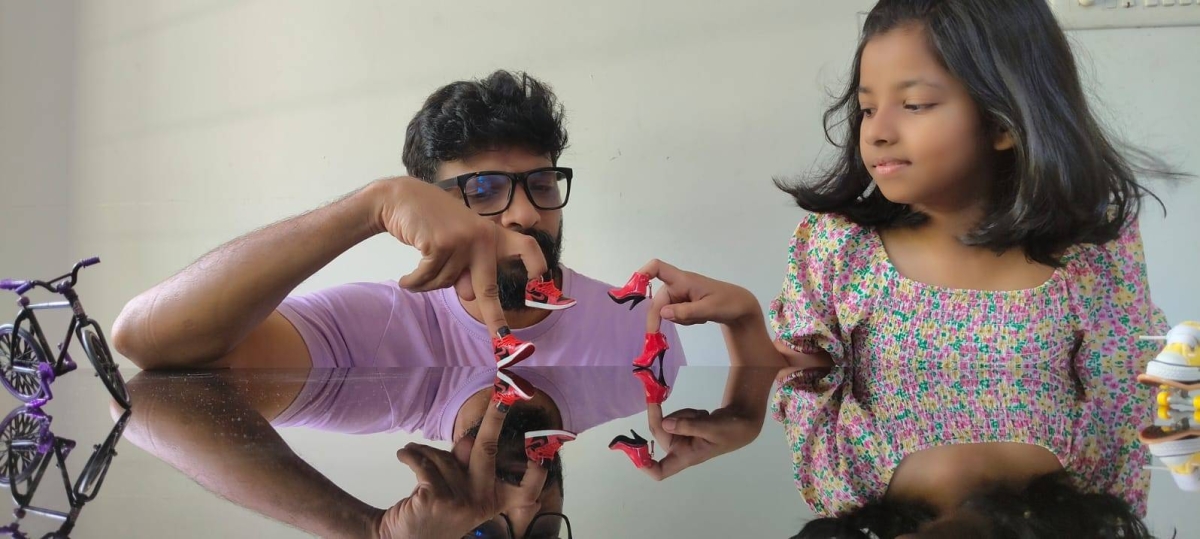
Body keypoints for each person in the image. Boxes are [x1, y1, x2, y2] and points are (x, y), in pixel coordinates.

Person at [618, 1, 1182, 536]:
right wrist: (743, 322)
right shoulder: (841, 247)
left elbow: (1131, 386)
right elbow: (808, 376)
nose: (878, 129)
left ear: (1003, 122)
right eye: (867, 107)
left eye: (913, 104)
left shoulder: (1088, 250)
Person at [110, 70, 686, 396]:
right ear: (425, 211)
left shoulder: (639, 323)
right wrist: (369, 206)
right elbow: (145, 339)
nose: (524, 216)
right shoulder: (372, 326)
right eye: (482, 190)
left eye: (539, 182)